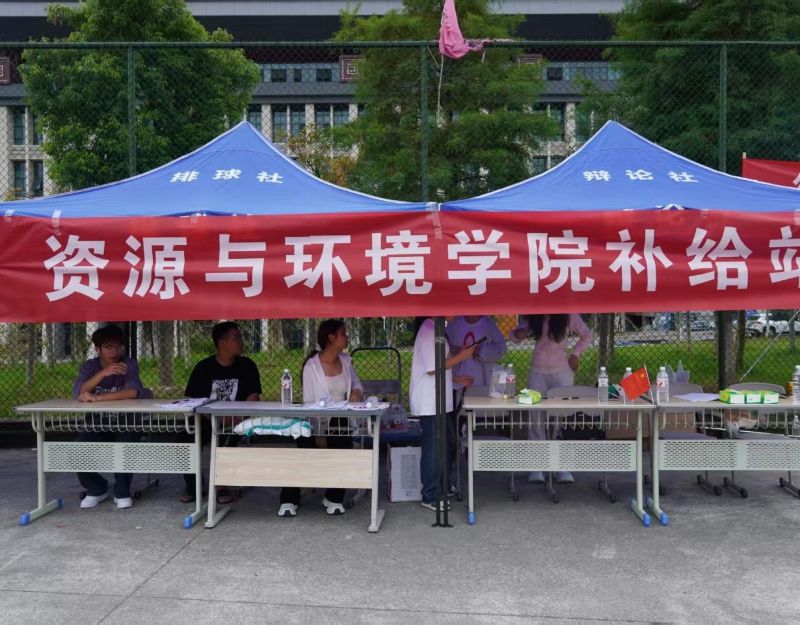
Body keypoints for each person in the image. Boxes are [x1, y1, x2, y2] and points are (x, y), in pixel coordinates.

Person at [278, 319, 363, 518]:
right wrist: (318, 431)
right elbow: (309, 402)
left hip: (340, 419)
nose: (347, 337)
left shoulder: (346, 361)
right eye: (343, 333)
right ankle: (289, 498)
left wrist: (357, 391)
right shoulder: (312, 366)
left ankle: (334, 497)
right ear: (331, 338)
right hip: (314, 421)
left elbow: (357, 383)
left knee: (343, 449)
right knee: (305, 455)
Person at [181, 321, 261, 504]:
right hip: (206, 418)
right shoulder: (203, 367)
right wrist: (213, 418)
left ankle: (221, 485)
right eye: (236, 338)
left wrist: (238, 417)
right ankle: (193, 486)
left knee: (226, 439)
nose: (241, 341)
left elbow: (253, 396)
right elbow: (193, 399)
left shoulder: (247, 365)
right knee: (185, 438)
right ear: (222, 343)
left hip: (237, 419)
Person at [510, 314, 592, 484]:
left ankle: (562, 466)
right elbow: (513, 336)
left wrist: (575, 354)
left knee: (561, 421)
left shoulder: (569, 313)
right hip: (537, 373)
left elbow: (587, 334)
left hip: (562, 373)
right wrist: (519, 334)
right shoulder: (534, 314)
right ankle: (537, 467)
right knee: (535, 419)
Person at [73, 324, 144, 510]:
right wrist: (104, 373)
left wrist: (98, 398)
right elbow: (79, 392)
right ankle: (96, 488)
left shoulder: (128, 364)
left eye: (118, 346)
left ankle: (122, 491)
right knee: (79, 446)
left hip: (126, 421)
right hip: (97, 422)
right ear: (98, 349)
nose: (114, 351)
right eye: (108, 347)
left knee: (127, 441)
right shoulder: (89, 366)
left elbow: (133, 392)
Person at [410, 317, 477, 512]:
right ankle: (430, 494)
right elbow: (433, 368)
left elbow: (440, 363)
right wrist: (462, 356)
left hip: (440, 399)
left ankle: (443, 485)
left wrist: (455, 377)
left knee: (446, 443)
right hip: (430, 401)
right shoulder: (428, 331)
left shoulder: (437, 329)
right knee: (433, 448)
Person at [445, 315, 508, 387]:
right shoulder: (453, 323)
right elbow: (443, 346)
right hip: (457, 382)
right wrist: (458, 351)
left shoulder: (488, 323)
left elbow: (502, 349)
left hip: (482, 380)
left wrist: (481, 351)